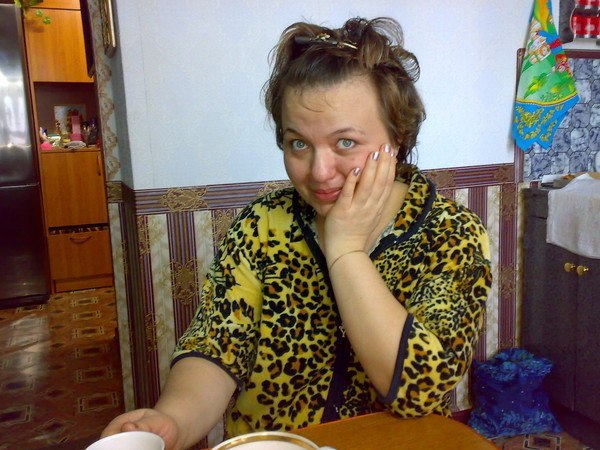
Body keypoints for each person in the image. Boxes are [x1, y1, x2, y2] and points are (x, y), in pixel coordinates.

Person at [102, 16, 492, 450]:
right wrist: (173, 419)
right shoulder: (262, 224)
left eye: (345, 142)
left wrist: (345, 249)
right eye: (298, 144)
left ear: (396, 139)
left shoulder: (451, 233)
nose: (319, 172)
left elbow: (419, 390)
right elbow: (217, 344)